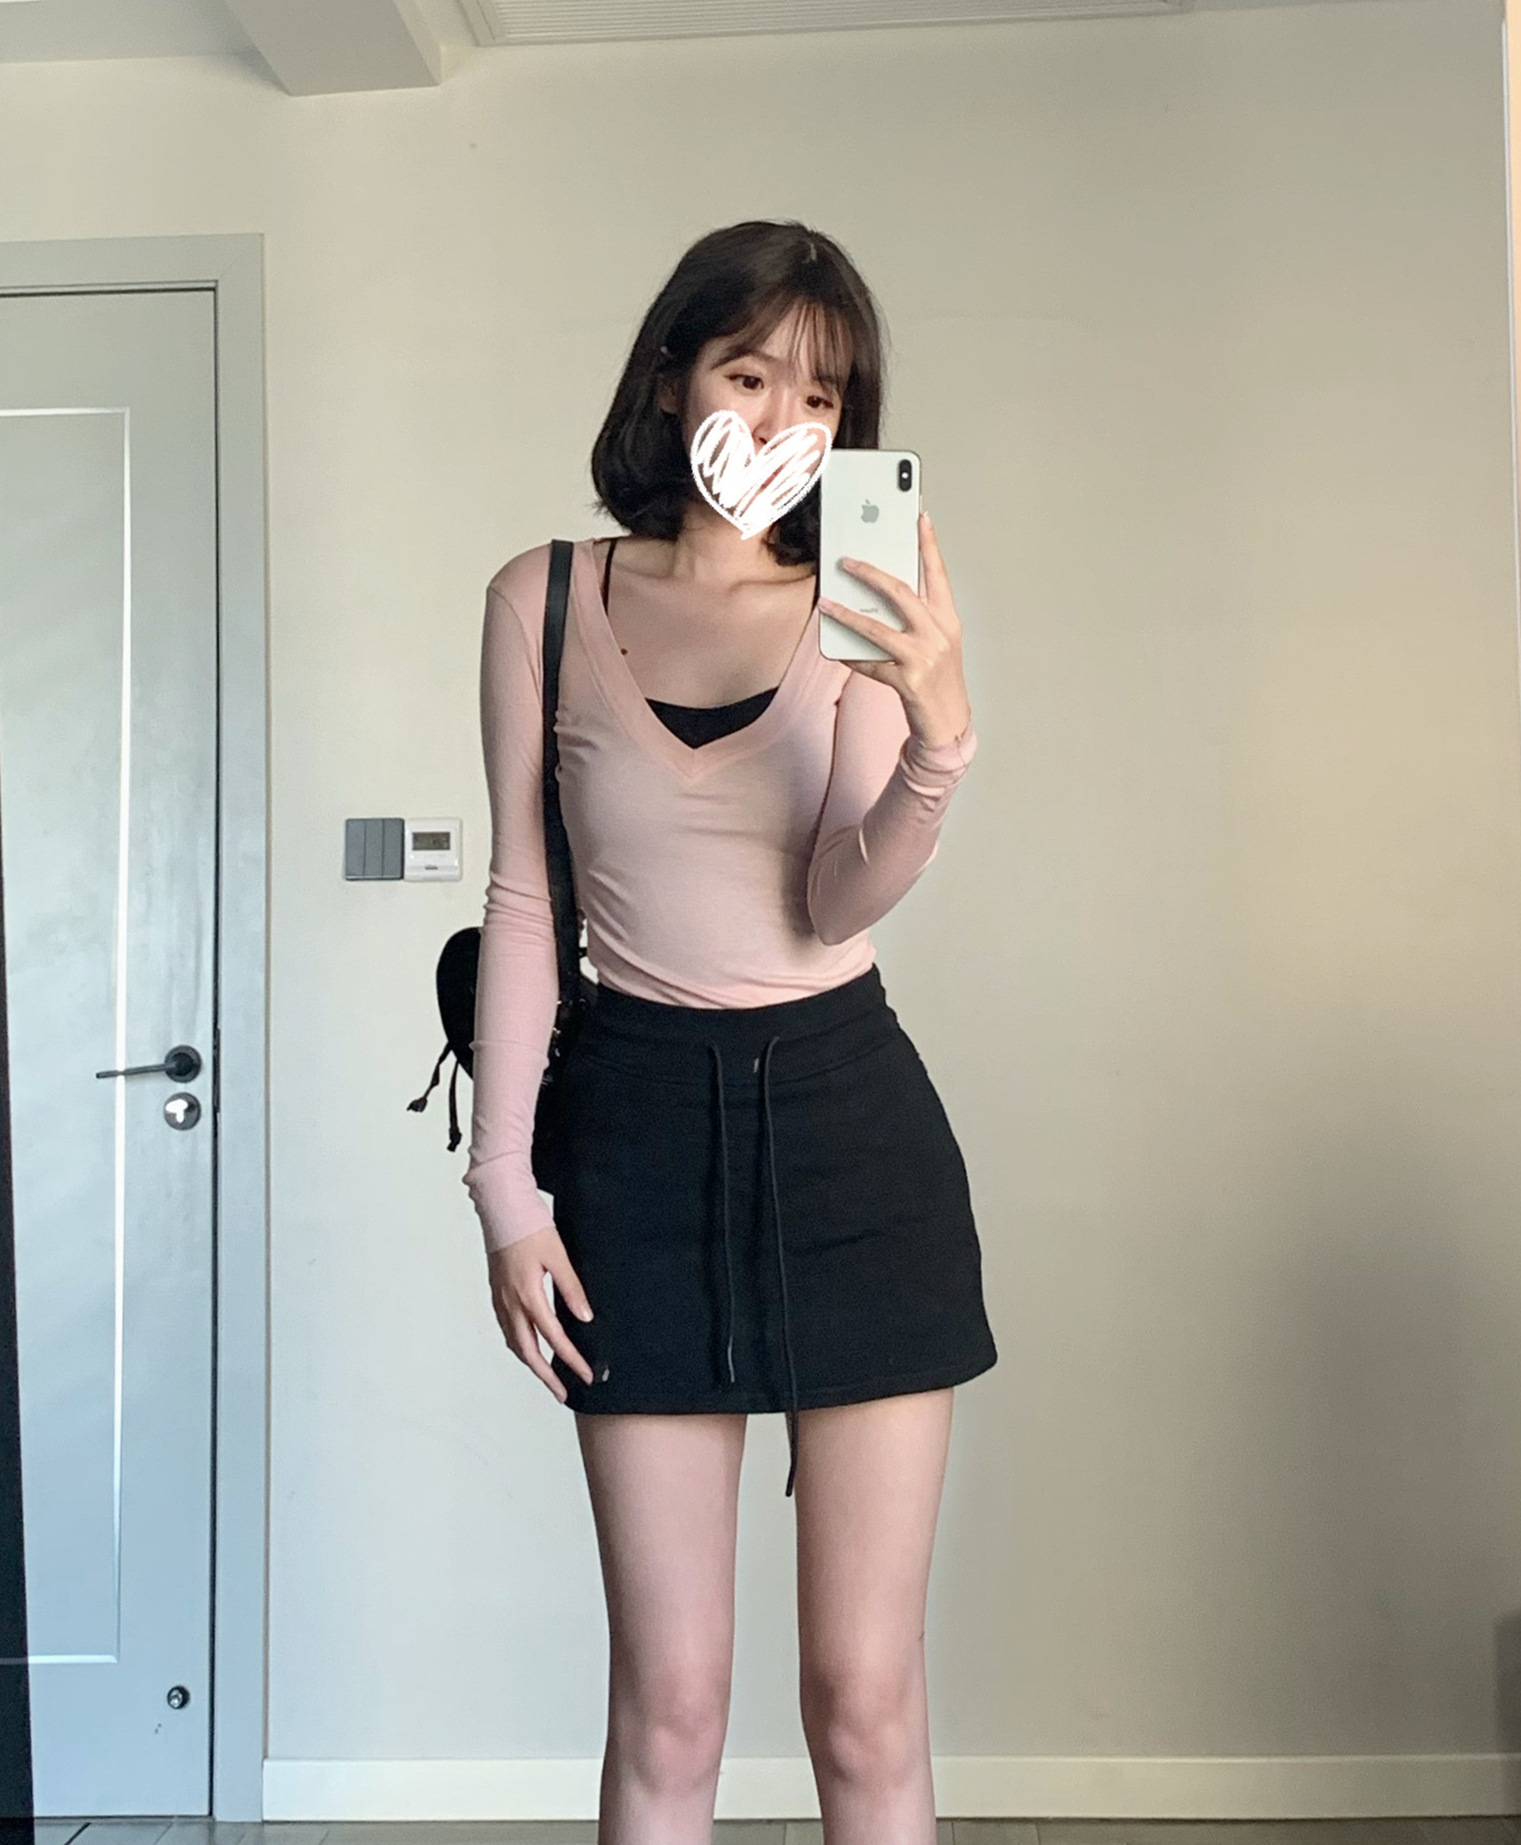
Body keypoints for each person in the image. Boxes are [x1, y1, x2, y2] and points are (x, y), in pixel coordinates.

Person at [463, 218, 997, 1845]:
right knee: (672, 1701)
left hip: (850, 1134)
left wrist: (937, 737)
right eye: (748, 373)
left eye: (819, 397)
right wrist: (505, 1190)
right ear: (671, 379)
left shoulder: (857, 601)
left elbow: (833, 901)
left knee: (863, 1698)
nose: (779, 420)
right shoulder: (544, 598)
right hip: (633, 1136)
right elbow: (525, 896)